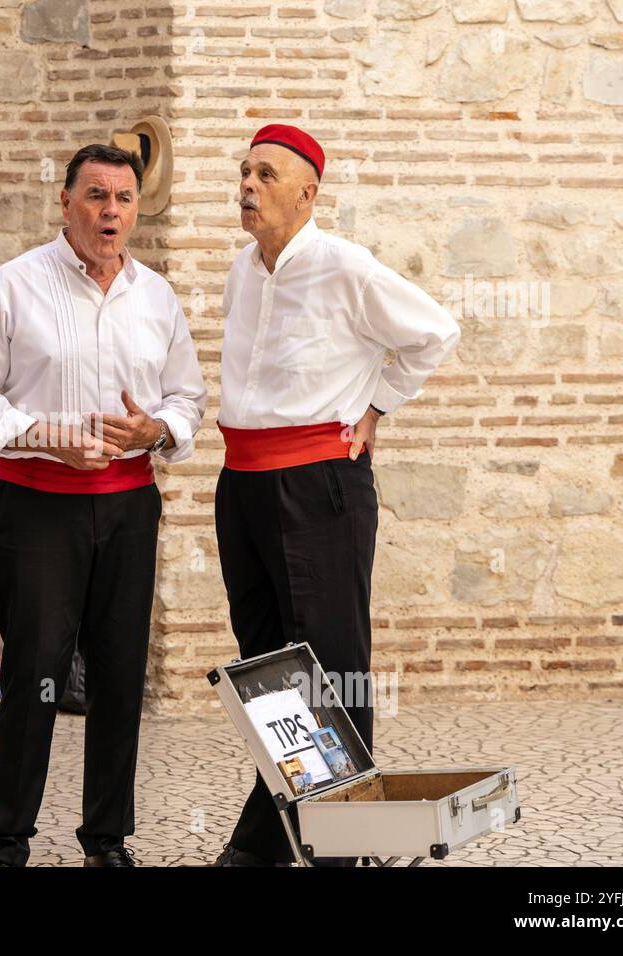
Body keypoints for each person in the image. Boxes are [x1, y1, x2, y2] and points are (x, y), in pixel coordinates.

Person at [0, 143, 207, 867]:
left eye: (123, 199)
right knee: (35, 674)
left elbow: (188, 397)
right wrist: (42, 437)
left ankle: (106, 839)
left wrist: (157, 429)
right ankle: (8, 840)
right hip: (38, 511)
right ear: (65, 203)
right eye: (96, 196)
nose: (111, 212)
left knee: (122, 678)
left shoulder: (156, 295)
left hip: (128, 507)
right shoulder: (13, 285)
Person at [211, 124, 460, 867]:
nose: (248, 186)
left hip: (319, 485)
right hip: (243, 483)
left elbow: (433, 332)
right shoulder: (241, 269)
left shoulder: (345, 265)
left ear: (307, 194)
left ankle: (337, 851)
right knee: (268, 676)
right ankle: (275, 839)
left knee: (330, 667)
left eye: (266, 175)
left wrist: (377, 406)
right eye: (245, 172)